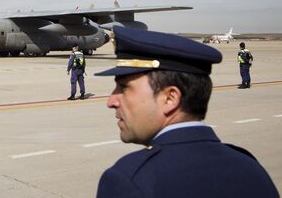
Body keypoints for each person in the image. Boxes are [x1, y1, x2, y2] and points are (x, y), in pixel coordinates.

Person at [94, 27, 279, 198]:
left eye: (124, 87)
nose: (111, 101)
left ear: (170, 98)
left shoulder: (128, 180)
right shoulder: (251, 169)